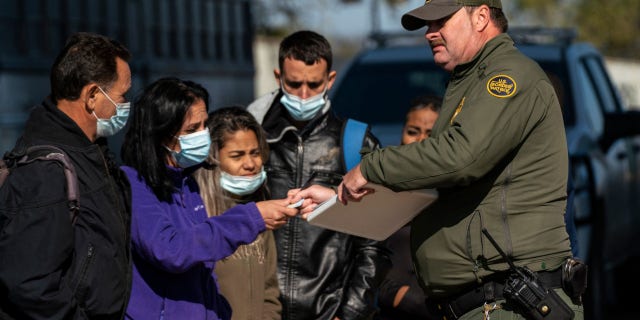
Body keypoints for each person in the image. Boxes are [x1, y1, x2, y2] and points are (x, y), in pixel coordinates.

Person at [336, 1, 583, 319]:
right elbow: (439, 184)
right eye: (427, 25)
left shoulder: (508, 75)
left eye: (441, 21)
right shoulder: (470, 81)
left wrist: (371, 167)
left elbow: (460, 158)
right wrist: (336, 200)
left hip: (511, 301)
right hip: (481, 302)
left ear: (481, 17)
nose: (430, 33)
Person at [120, 77, 298, 320]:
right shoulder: (133, 184)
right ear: (162, 134)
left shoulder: (186, 183)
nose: (203, 135)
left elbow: (205, 268)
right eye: (192, 129)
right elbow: (172, 250)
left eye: (204, 125)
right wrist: (251, 217)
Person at [247, 30, 391, 320]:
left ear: (331, 80)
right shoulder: (252, 141)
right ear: (278, 77)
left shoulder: (356, 142)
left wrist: (349, 312)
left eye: (313, 85)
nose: (303, 95)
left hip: (328, 312)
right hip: (261, 309)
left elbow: (374, 244)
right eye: (294, 83)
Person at [0, 32, 133, 319]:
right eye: (122, 95)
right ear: (93, 96)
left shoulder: (90, 150)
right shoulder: (44, 171)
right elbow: (31, 285)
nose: (125, 105)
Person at [194, 106, 281, 320]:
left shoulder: (261, 211)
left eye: (255, 153)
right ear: (213, 158)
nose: (250, 164)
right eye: (237, 156)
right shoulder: (197, 215)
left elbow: (270, 292)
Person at [378, 95, 441, 320]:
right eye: (413, 131)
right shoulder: (380, 187)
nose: (421, 140)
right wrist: (405, 298)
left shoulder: (459, 191)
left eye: (431, 134)